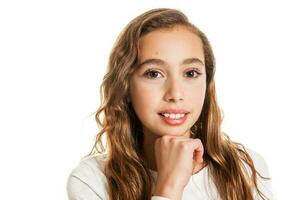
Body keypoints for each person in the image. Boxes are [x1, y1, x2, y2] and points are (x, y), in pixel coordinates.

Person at [67, 8, 273, 200]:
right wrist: (169, 186)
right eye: (154, 73)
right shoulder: (92, 180)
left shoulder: (245, 167)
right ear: (126, 86)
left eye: (191, 73)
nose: (175, 94)